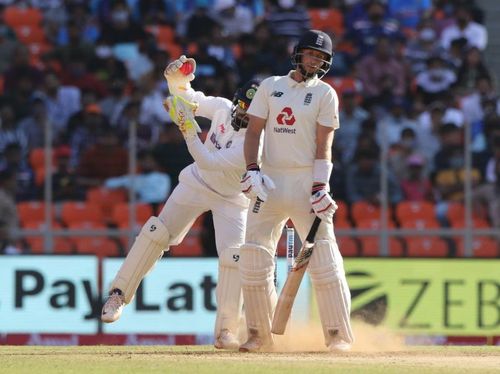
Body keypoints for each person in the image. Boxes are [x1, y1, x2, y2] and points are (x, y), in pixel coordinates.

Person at [101, 54, 261, 351]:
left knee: (234, 258)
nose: (242, 114)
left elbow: (209, 160)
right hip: (197, 183)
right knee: (156, 232)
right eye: (241, 106)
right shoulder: (224, 108)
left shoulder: (254, 142)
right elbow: (191, 98)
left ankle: (227, 330)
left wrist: (188, 129)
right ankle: (118, 294)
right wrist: (176, 80)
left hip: (232, 197)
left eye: (251, 112)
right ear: (236, 101)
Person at [238, 30, 354, 352]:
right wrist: (252, 169)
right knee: (253, 256)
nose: (315, 60)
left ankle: (337, 336)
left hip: (306, 182)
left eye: (321, 57)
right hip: (269, 182)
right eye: (311, 54)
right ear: (298, 54)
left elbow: (324, 145)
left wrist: (320, 187)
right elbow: (253, 133)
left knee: (325, 258)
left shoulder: (325, 94)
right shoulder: (270, 86)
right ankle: (257, 335)